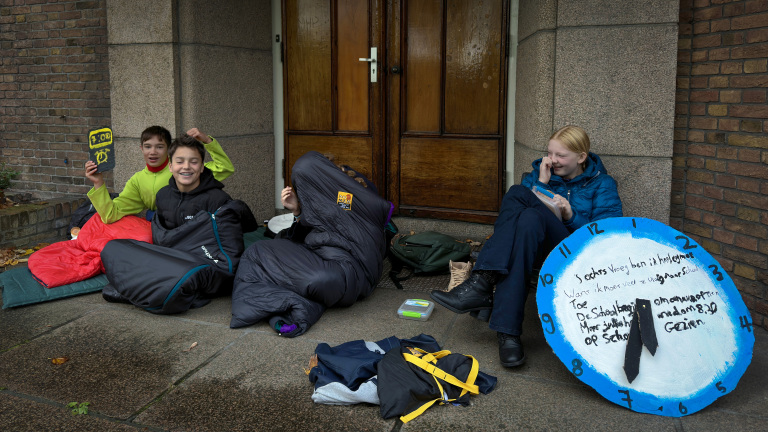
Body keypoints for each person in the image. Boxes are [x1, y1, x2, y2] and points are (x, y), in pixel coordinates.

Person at [430, 125, 623, 367]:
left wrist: (571, 215)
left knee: (517, 193)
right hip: (533, 248)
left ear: (581, 157)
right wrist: (542, 183)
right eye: (550, 153)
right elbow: (518, 224)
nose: (552, 160)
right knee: (528, 221)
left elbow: (607, 236)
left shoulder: (602, 184)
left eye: (561, 155)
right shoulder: (540, 174)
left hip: (575, 253)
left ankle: (483, 283)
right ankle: (507, 332)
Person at [230, 151, 392, 337]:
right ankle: (299, 302)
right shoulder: (315, 202)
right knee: (259, 252)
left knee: (316, 278)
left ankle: (291, 299)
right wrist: (298, 211)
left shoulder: (356, 191)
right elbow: (302, 236)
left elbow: (370, 217)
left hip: (350, 270)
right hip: (327, 263)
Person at [84, 126, 234, 224]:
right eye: (148, 147)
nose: (153, 152)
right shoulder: (137, 181)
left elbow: (225, 168)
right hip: (163, 232)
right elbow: (111, 214)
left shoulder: (183, 169)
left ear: (169, 149)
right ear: (141, 148)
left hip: (196, 226)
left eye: (160, 147)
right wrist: (98, 183)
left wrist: (208, 141)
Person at [154, 134, 232, 230]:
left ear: (202, 167)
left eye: (194, 162)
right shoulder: (162, 195)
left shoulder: (218, 200)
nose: (186, 166)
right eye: (179, 162)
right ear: (170, 166)